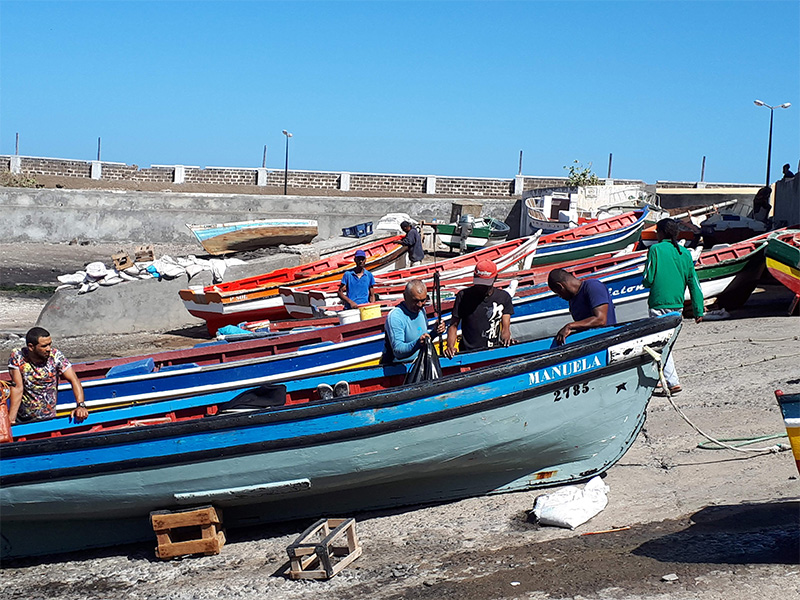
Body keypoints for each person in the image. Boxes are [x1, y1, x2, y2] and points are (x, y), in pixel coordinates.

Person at [643, 218, 704, 394]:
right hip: (677, 305)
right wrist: (698, 310)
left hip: (658, 303)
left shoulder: (655, 249)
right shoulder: (685, 253)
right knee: (666, 343)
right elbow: (694, 283)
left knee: (661, 344)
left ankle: (672, 381)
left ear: (661, 233)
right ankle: (662, 378)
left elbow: (648, 279)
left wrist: (647, 280)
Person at [7, 327, 88, 424]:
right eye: (44, 346)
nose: (48, 349)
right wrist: (11, 420)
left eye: (50, 344)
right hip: (23, 418)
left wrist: (80, 405)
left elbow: (74, 380)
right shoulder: (18, 357)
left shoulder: (55, 356)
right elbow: (17, 388)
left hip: (48, 419)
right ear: (31, 347)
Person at [444, 260, 514, 358]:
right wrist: (450, 346)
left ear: (495, 278)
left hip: (493, 351)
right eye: (479, 283)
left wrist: (506, 339)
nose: (481, 287)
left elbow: (505, 327)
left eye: (485, 285)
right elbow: (453, 325)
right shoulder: (463, 296)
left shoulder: (503, 297)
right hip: (468, 353)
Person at [381, 280, 445, 363]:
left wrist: (435, 332)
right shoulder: (395, 317)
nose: (420, 305)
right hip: (398, 367)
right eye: (415, 301)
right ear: (405, 296)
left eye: (423, 300)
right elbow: (398, 352)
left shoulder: (421, 310)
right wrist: (418, 343)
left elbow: (423, 340)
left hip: (421, 364)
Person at [547, 269, 617, 345]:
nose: (560, 296)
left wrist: (570, 326)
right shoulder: (572, 301)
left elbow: (600, 320)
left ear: (560, 286)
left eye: (558, 293)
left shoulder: (593, 286)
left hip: (607, 339)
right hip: (590, 342)